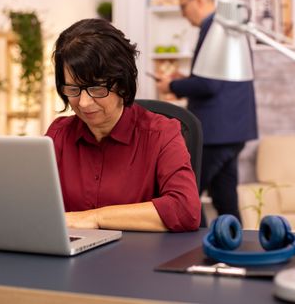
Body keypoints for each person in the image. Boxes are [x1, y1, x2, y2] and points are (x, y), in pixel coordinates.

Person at [46, 18, 201, 232]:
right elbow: (35, 207)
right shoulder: (59, 134)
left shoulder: (162, 133)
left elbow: (186, 210)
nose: (83, 102)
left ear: (122, 82)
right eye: (73, 90)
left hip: (138, 261)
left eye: (97, 89)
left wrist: (95, 218)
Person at [156, 0, 258, 223]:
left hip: (215, 132)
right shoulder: (228, 27)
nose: (182, 14)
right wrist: (187, 80)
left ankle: (190, 250)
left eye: (183, 7)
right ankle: (235, 247)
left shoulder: (215, 27)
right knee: (225, 198)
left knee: (185, 195)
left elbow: (209, 85)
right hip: (232, 130)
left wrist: (172, 85)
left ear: (198, 0)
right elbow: (216, 79)